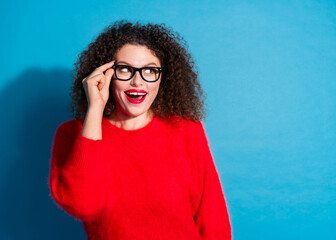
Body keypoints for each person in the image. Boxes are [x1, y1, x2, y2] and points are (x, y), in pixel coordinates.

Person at [48, 20, 232, 240]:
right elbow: (82, 204)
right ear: (106, 75)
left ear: (163, 77)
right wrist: (95, 109)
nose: (138, 81)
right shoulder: (74, 134)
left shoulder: (186, 130)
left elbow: (213, 219)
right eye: (124, 69)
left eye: (150, 70)